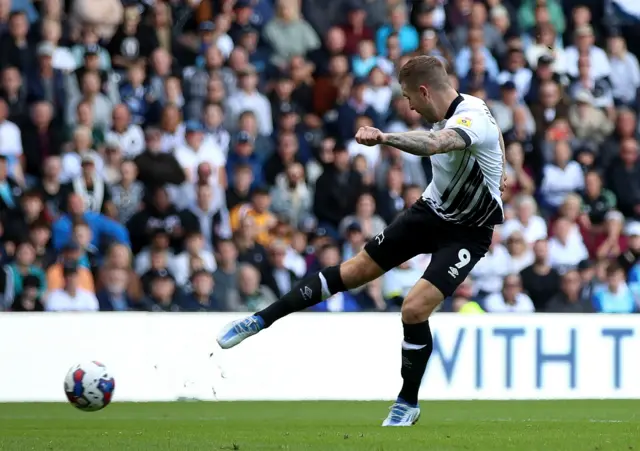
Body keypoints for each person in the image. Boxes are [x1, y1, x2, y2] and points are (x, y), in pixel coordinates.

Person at [217, 55, 507, 426]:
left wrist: (385, 138)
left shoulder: (470, 117)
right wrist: (503, 171)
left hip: (468, 230)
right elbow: (490, 135)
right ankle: (259, 320)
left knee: (414, 309)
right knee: (353, 271)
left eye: (407, 97)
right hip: (431, 211)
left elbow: (438, 144)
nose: (408, 105)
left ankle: (407, 402)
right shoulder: (471, 110)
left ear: (423, 89)